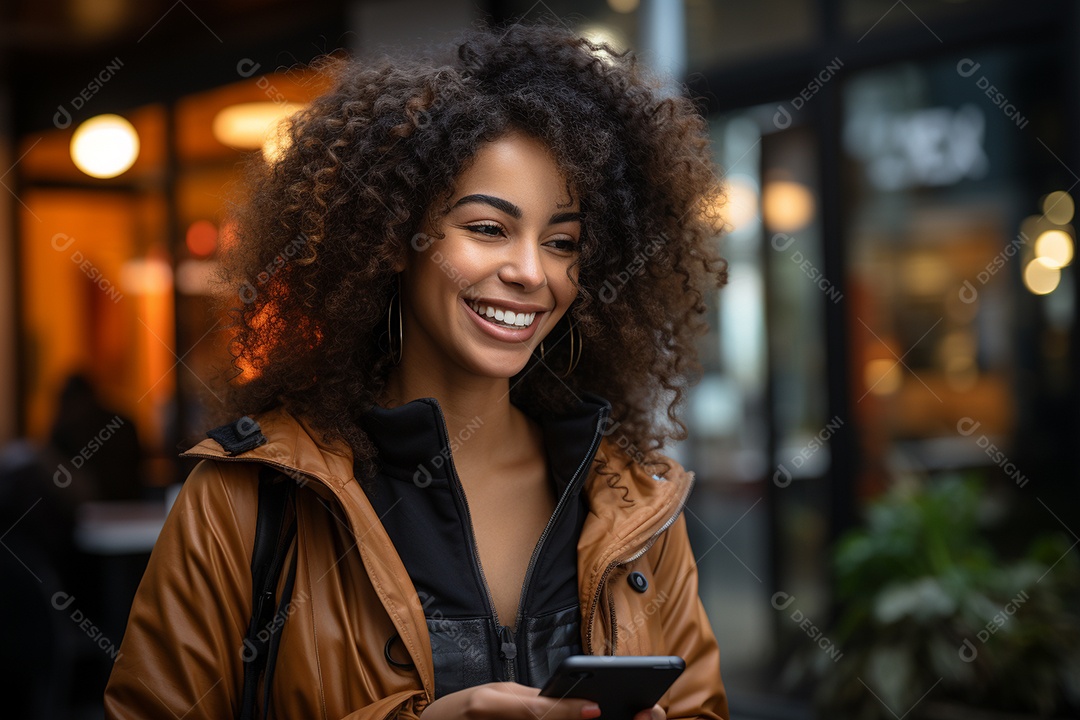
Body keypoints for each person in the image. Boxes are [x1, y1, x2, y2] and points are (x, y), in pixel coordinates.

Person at [104, 21, 729, 720]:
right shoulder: (247, 502)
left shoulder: (634, 504)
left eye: (562, 242)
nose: (531, 273)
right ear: (397, 238)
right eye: (488, 228)